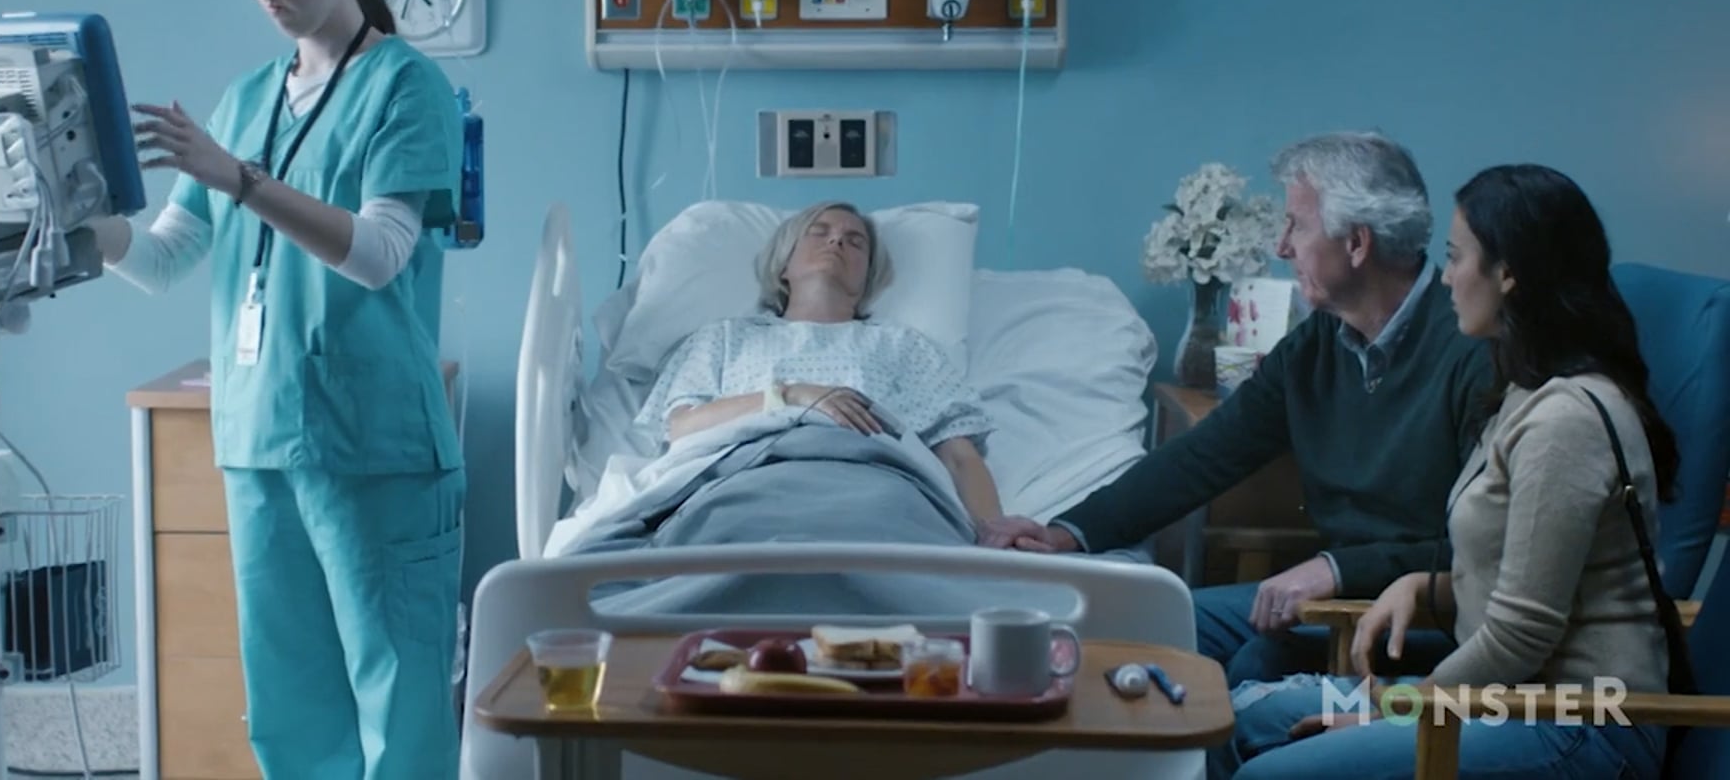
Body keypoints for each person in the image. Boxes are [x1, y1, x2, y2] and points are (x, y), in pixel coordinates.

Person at [92, 0, 467, 779]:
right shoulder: (246, 99)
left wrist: (239, 178)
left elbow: (379, 253)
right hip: (259, 440)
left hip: (374, 443)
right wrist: (76, 224)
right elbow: (163, 260)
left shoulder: (406, 86)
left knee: (397, 702)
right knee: (291, 706)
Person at [1213, 163, 1681, 779]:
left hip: (1581, 720)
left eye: (1457, 258)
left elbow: (1520, 636)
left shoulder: (1566, 421)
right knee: (1236, 721)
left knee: (1268, 774)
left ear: (1508, 274)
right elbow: (1532, 583)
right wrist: (1421, 586)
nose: (1446, 277)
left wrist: (1394, 713)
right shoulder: (1525, 393)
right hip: (1506, 701)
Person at [979, 132, 1498, 686]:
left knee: (1255, 666)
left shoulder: (1475, 352)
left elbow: (1491, 552)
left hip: (1424, 619)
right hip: (1334, 597)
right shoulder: (1317, 345)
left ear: (1356, 243)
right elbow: (1204, 455)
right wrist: (1067, 533)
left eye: (1296, 225)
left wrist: (1339, 569)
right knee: (1135, 627)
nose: (1281, 246)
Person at [637, 200, 1004, 528]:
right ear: (784, 264)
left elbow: (959, 456)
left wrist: (993, 528)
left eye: (855, 241)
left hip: (876, 489)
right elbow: (682, 427)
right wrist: (791, 396)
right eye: (819, 232)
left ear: (867, 276)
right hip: (747, 480)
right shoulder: (726, 337)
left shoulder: (902, 345)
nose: (837, 241)